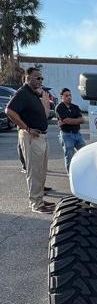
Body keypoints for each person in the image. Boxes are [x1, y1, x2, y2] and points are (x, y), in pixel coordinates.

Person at [6, 67, 54, 213]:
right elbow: (9, 111)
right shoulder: (23, 93)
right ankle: (36, 204)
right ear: (28, 78)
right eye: (37, 78)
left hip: (41, 136)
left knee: (41, 171)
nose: (40, 80)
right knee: (34, 172)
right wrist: (26, 128)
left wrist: (45, 101)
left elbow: (44, 115)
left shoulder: (33, 94)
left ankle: (39, 198)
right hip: (31, 136)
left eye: (41, 78)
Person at [55, 88, 86, 172]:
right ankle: (70, 174)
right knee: (69, 155)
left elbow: (83, 120)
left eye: (70, 95)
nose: (69, 97)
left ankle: (83, 171)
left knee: (84, 152)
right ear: (61, 97)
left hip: (77, 134)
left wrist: (69, 120)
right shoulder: (59, 107)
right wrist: (75, 120)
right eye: (66, 96)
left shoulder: (75, 107)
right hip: (67, 135)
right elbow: (66, 120)